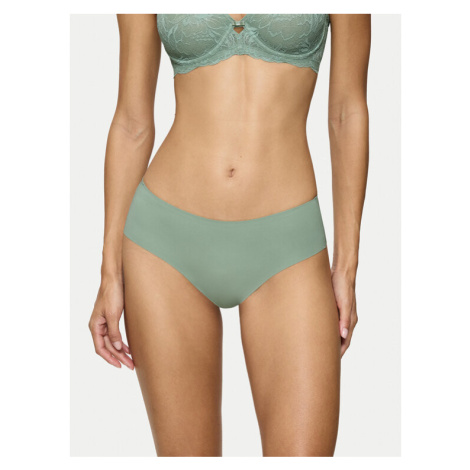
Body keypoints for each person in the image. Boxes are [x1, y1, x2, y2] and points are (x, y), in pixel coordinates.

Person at [89, 13, 371, 457]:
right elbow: (131, 122)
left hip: (287, 247)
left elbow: (346, 113)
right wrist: (110, 272)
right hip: (165, 245)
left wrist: (347, 265)